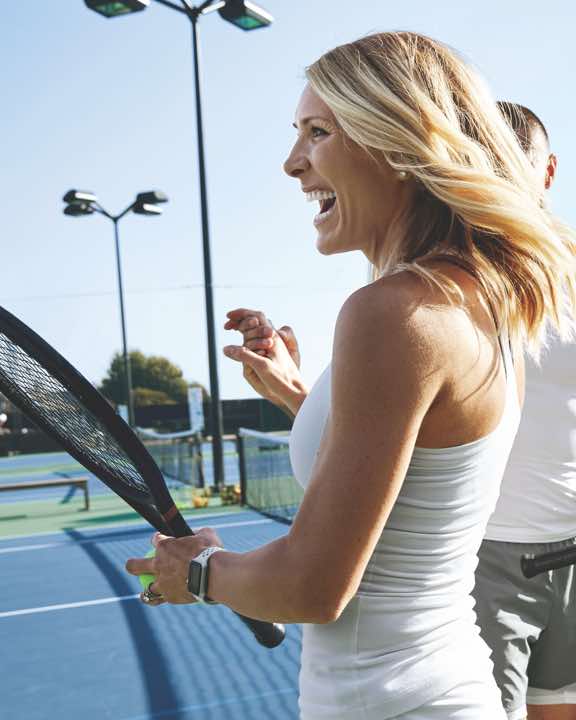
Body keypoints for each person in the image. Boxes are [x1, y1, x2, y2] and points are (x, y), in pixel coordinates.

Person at [125, 32, 576, 719]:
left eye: (318, 132)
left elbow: (313, 586)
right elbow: (405, 492)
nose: (291, 162)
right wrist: (296, 395)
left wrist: (197, 570)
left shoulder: (392, 314)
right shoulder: (476, 303)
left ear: (395, 144)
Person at [472, 103, 576, 720]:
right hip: (485, 562)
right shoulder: (448, 277)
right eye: (487, 159)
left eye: (517, 162)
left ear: (548, 171)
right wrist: (295, 393)